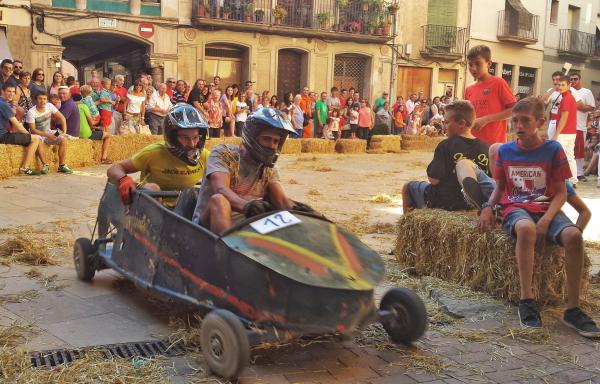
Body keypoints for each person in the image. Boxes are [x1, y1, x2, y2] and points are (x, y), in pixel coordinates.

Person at [478, 97, 599, 337]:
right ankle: (527, 300)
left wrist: (546, 219)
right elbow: (500, 189)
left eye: (525, 121)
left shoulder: (552, 150)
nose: (519, 126)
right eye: (515, 121)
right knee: (526, 229)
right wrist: (487, 206)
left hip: (546, 207)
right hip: (516, 207)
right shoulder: (504, 151)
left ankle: (573, 309)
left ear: (540, 122)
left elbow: (562, 192)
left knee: (574, 235)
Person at [192, 107, 309, 233]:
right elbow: (220, 189)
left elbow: (281, 201)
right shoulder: (223, 153)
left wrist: (305, 213)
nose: (272, 146)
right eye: (267, 139)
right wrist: (247, 206)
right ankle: (228, 251)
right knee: (219, 200)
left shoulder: (268, 167)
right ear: (252, 136)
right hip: (206, 229)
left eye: (276, 141)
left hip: (248, 228)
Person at [107, 104, 210, 207]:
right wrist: (123, 180)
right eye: (185, 138)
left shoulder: (205, 156)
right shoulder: (154, 153)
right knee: (152, 188)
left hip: (184, 209)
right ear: (172, 137)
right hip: (153, 209)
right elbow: (114, 169)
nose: (192, 144)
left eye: (195, 137)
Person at [402, 100, 491, 212]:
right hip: (475, 205)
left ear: (461, 123)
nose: (443, 125)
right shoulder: (486, 147)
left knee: (407, 187)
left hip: (444, 202)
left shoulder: (446, 145)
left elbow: (434, 179)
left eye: (446, 122)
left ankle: (409, 227)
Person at [464, 45, 516, 145]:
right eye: (470, 64)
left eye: (478, 64)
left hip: (493, 144)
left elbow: (514, 109)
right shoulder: (468, 89)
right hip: (472, 143)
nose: (473, 68)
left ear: (489, 63)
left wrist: (486, 119)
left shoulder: (498, 83)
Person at [25, 91, 73, 174]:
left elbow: (62, 118)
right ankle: (45, 165)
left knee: (63, 139)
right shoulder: (31, 112)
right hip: (37, 134)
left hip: (48, 132)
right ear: (35, 100)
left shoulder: (49, 106)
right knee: (38, 140)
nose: (43, 101)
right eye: (40, 99)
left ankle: (62, 165)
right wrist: (49, 136)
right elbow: (33, 130)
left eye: (44, 99)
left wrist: (64, 132)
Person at [0, 84, 41, 175]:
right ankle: (24, 168)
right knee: (35, 139)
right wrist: (28, 134)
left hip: (3, 133)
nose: (11, 94)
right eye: (8, 91)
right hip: (2, 136)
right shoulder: (4, 105)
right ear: (2, 91)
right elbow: (17, 125)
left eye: (13, 92)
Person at [548, 75, 578, 184]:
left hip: (564, 133)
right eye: (559, 84)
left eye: (563, 85)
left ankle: (560, 180)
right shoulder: (569, 97)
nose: (560, 87)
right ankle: (573, 180)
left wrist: (556, 135)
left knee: (559, 157)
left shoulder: (566, 98)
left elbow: (564, 118)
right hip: (571, 133)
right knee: (570, 157)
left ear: (569, 85)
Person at [570, 72, 596, 182]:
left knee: (579, 151)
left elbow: (591, 107)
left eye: (575, 79)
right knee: (569, 150)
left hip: (580, 126)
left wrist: (579, 107)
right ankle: (570, 173)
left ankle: (580, 173)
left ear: (580, 79)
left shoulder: (586, 92)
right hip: (567, 125)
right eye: (571, 79)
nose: (573, 81)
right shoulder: (568, 91)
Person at [73, 93, 112, 164]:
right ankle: (104, 158)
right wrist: (98, 121)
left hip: (74, 134)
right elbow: (91, 123)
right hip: (85, 134)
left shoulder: (70, 107)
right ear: (81, 99)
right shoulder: (83, 106)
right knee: (108, 135)